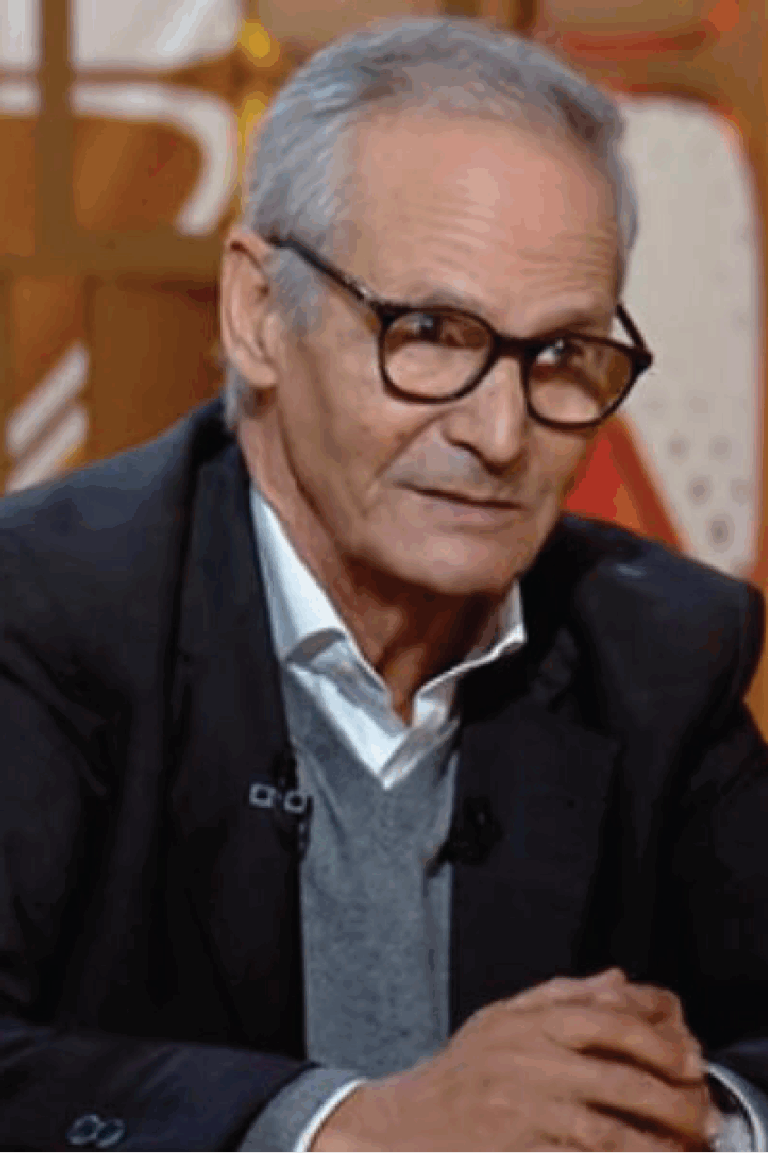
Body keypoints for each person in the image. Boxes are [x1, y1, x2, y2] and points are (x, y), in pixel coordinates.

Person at [0, 16, 767, 1153]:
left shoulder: (658, 647)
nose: (499, 434)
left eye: (562, 354)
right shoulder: (40, 609)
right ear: (260, 314)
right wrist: (354, 1126)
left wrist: (686, 1114)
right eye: (432, 333)